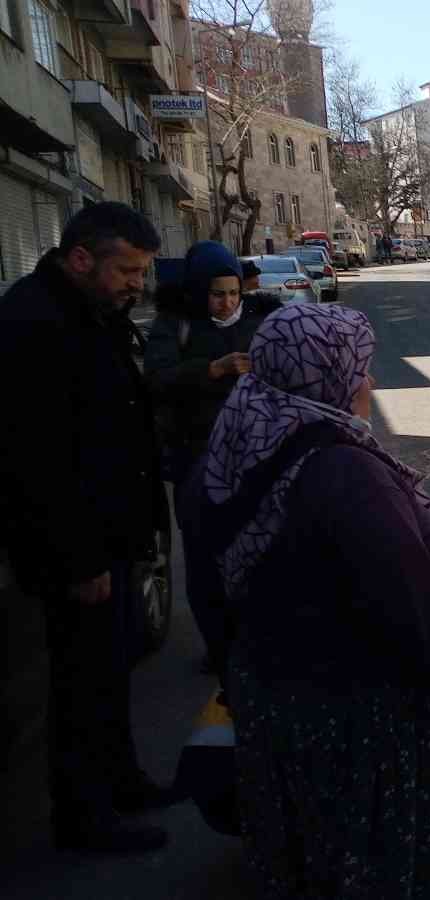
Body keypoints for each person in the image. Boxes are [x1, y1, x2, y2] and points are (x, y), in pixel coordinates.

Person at [177, 303, 430, 897]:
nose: (370, 382)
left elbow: (210, 591)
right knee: (369, 864)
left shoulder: (231, 448)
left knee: (304, 854)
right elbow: (414, 602)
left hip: (272, 699)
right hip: (358, 721)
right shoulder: (339, 469)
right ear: (325, 375)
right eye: (360, 368)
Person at [0, 202, 177, 853]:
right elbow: (36, 460)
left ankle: (122, 781)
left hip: (115, 536)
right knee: (80, 684)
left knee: (113, 669)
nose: (138, 283)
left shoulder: (91, 313)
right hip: (78, 551)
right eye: (127, 270)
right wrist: (78, 561)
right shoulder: (34, 323)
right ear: (81, 259)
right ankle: (84, 817)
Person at [146, 241, 281, 672]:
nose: (226, 303)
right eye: (216, 294)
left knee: (260, 553)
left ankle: (257, 641)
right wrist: (212, 370)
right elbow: (157, 378)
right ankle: (220, 649)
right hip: (196, 460)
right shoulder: (176, 324)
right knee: (205, 561)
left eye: (233, 293)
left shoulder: (263, 320)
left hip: (255, 459)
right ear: (197, 291)